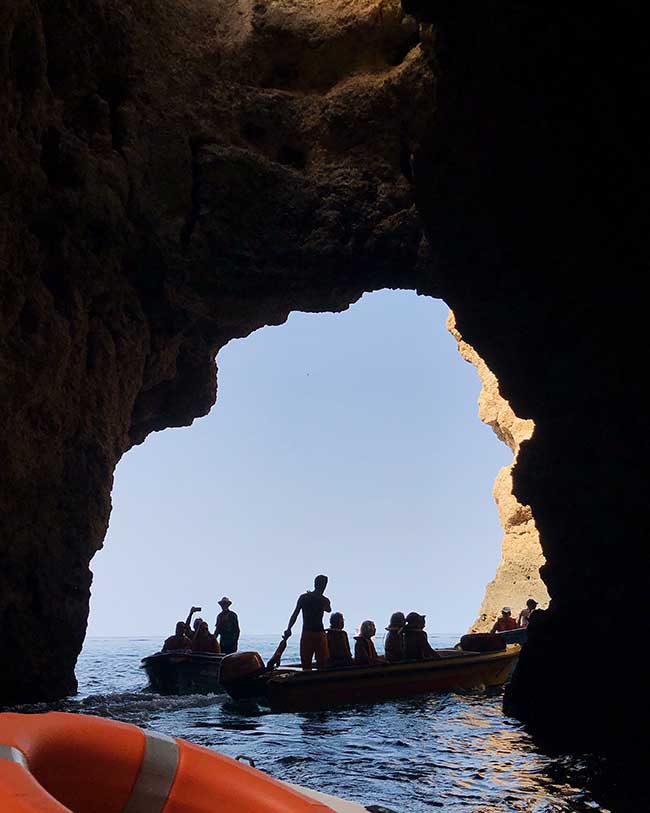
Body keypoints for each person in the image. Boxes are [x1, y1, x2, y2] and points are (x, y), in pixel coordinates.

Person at [284, 574, 331, 670]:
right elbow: (329, 609)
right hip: (319, 633)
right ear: (324, 586)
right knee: (322, 664)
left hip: (307, 633)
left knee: (306, 664)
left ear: (315, 584)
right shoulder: (324, 600)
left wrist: (289, 628)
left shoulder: (304, 597)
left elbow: (295, 614)